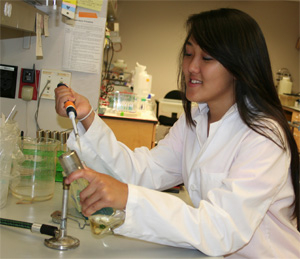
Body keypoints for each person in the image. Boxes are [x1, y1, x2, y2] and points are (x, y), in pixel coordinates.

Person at [55, 8, 300, 258]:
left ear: (239, 66)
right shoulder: (195, 119)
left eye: (207, 58)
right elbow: (144, 171)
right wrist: (86, 117)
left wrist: (129, 197)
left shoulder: (264, 137)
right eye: (189, 53)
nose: (191, 67)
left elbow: (222, 228)